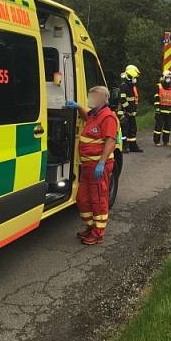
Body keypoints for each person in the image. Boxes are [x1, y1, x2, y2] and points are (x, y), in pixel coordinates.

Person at [65, 87, 118, 245]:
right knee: (82, 199)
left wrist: (101, 162)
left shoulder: (107, 116)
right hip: (87, 165)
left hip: (98, 165)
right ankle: (90, 227)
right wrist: (78, 107)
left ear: (103, 98)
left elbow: (111, 141)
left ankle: (98, 233)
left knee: (98, 199)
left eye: (93, 96)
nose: (91, 99)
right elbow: (86, 117)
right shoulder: (94, 114)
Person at [119, 64, 143, 152]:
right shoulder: (124, 86)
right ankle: (124, 147)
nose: (135, 79)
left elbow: (134, 99)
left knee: (133, 130)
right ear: (130, 75)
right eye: (134, 77)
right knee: (124, 131)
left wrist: (134, 109)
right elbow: (122, 100)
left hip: (131, 113)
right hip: (124, 113)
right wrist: (129, 109)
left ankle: (133, 146)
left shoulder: (132, 86)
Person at [153, 69, 171, 146]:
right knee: (158, 127)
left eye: (170, 78)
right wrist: (157, 108)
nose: (168, 80)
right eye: (167, 78)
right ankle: (157, 141)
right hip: (160, 111)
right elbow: (156, 98)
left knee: (167, 128)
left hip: (169, 111)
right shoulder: (159, 86)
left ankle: (166, 141)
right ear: (163, 78)